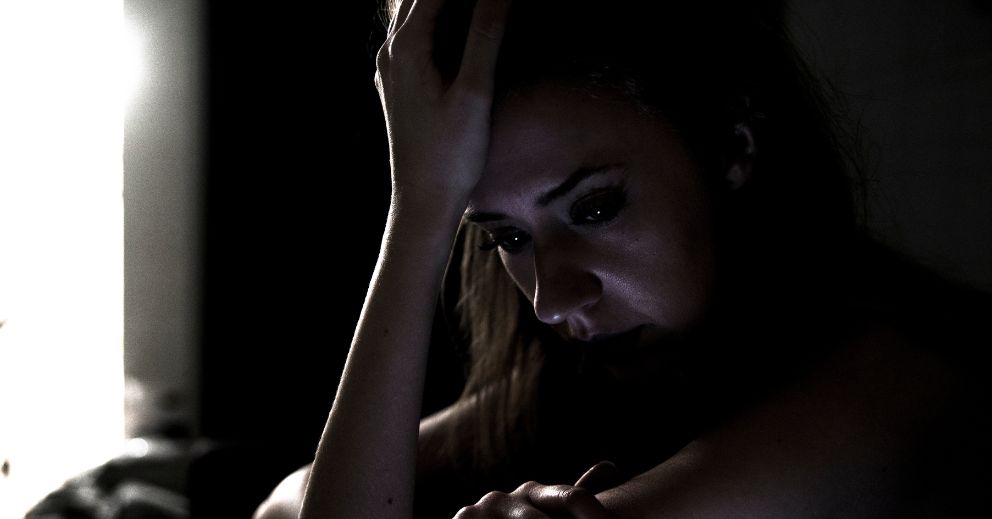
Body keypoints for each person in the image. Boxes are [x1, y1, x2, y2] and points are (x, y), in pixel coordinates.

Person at [255, 0, 991, 517]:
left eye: (596, 208)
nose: (549, 298)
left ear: (732, 147)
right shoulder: (586, 387)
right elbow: (288, 501)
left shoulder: (888, 390)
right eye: (507, 235)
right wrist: (417, 216)